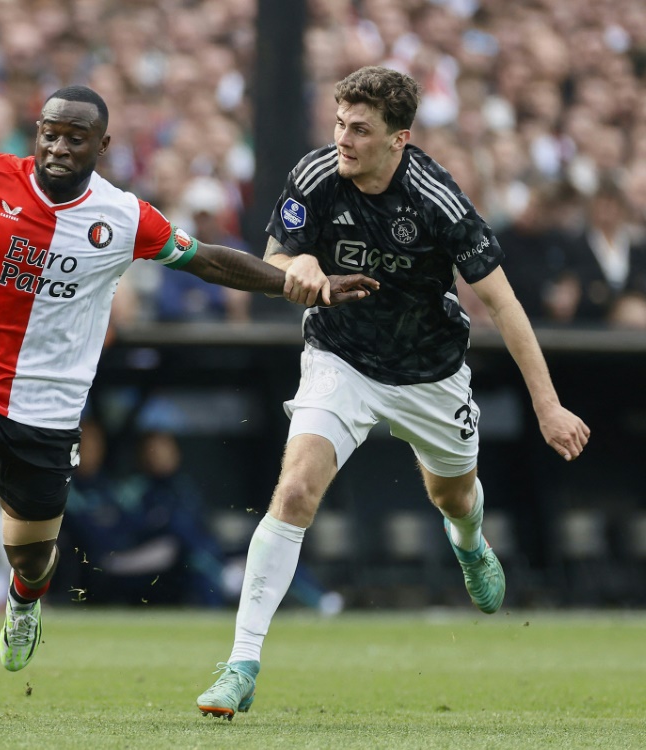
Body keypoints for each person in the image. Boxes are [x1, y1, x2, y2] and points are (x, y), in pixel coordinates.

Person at [0, 86, 376, 678]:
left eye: (74, 139)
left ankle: (24, 601)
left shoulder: (124, 217)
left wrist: (307, 283)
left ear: (101, 146)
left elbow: (210, 260)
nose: (57, 148)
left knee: (29, 557)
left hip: (49, 408)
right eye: (49, 135)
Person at [195, 67, 590, 720]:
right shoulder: (317, 176)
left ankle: (468, 543)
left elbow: (505, 303)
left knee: (452, 496)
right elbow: (276, 255)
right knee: (295, 489)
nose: (342, 139)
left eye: (360, 130)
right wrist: (302, 268)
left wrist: (548, 406)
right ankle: (241, 664)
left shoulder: (438, 201)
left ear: (398, 138)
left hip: (430, 373)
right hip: (339, 357)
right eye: (339, 123)